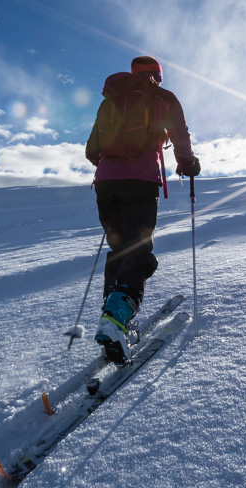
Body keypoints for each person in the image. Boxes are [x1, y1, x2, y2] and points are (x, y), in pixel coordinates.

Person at [85, 55, 200, 363]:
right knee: (138, 253)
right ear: (157, 76)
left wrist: (111, 165)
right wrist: (187, 164)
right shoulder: (162, 98)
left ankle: (112, 320)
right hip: (140, 183)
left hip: (106, 184)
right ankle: (116, 321)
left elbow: (91, 150)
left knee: (121, 252)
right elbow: (180, 135)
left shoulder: (110, 97)